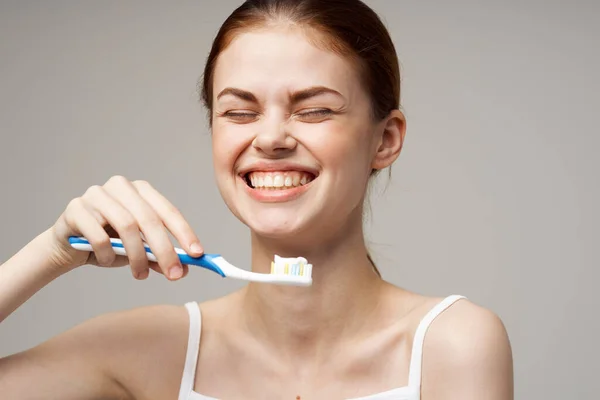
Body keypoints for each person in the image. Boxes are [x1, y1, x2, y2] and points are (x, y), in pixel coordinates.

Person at [0, 0, 513, 399]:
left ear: (385, 140)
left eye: (313, 111)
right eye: (239, 113)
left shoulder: (453, 345)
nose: (270, 138)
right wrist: (50, 253)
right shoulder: (150, 349)